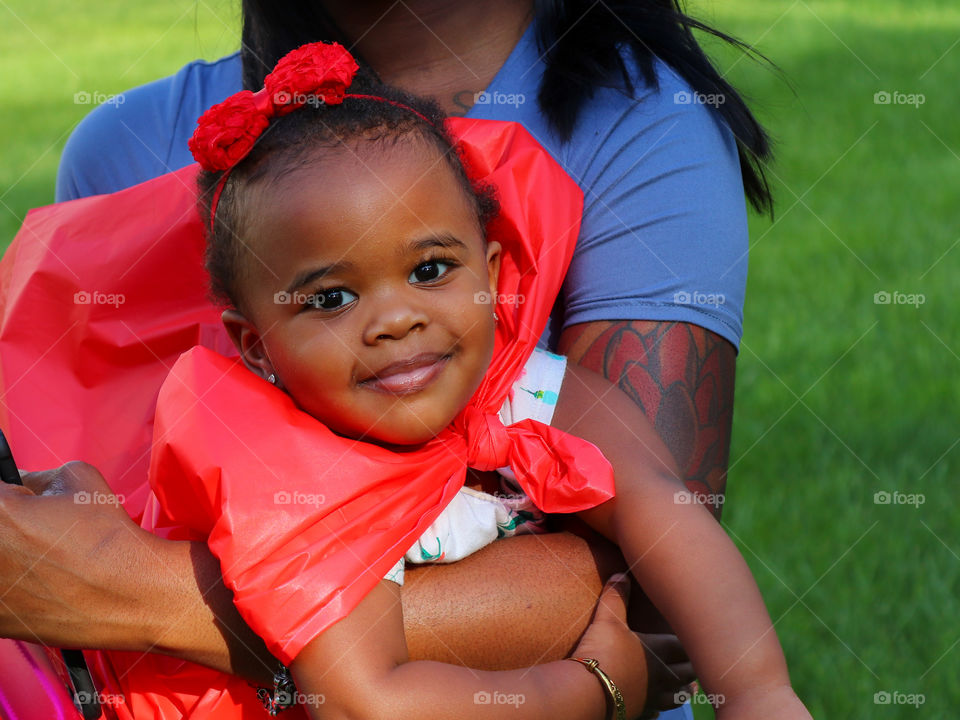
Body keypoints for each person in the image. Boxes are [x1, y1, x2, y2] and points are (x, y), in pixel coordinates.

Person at [1, 1, 771, 715]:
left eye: (432, 270)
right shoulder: (274, 465)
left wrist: (757, 694)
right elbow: (367, 697)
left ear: (498, 272)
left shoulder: (531, 389)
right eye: (331, 299)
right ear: (250, 346)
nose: (396, 320)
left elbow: (651, 583)